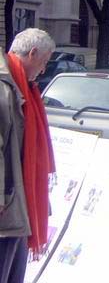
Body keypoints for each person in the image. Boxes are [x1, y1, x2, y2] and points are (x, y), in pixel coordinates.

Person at [1, 30, 56, 283]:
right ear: (32, 53)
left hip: (17, 202)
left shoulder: (21, 86)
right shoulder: (6, 87)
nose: (43, 70)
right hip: (8, 205)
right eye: (44, 61)